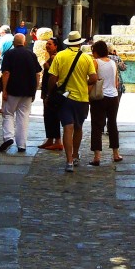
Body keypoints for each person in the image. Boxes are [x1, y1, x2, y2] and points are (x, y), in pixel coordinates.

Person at [47, 30, 97, 173]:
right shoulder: (86, 58)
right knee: (78, 128)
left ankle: (68, 161)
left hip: (64, 98)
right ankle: (75, 155)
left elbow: (52, 77)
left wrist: (50, 93)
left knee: (67, 128)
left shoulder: (60, 56)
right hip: (81, 98)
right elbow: (94, 78)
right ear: (80, 43)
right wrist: (84, 83)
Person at [0, 33, 42, 153]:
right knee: (23, 117)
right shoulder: (31, 55)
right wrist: (34, 90)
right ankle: (22, 144)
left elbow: (6, 73)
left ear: (13, 42)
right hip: (28, 91)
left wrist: (5, 90)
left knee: (8, 114)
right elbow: (37, 74)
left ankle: (8, 137)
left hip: (13, 89)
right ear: (24, 42)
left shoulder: (9, 54)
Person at [87, 41, 123, 166]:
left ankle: (97, 157)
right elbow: (116, 82)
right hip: (113, 97)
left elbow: (93, 79)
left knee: (97, 126)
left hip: (100, 97)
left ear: (96, 51)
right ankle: (116, 153)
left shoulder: (95, 62)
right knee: (112, 124)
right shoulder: (113, 62)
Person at [37, 30, 62, 151]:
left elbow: (54, 74)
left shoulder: (55, 57)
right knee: (47, 115)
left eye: (50, 44)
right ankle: (50, 138)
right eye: (47, 44)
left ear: (56, 46)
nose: (47, 46)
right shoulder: (51, 57)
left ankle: (57, 140)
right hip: (47, 89)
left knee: (52, 115)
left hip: (52, 90)